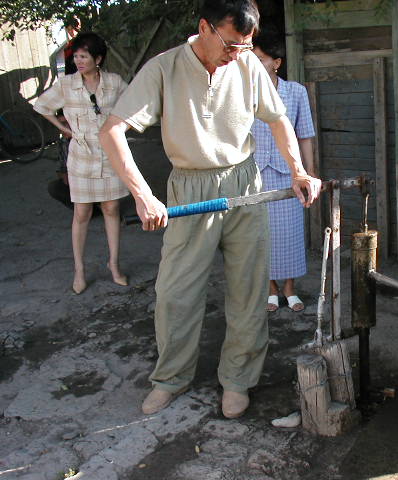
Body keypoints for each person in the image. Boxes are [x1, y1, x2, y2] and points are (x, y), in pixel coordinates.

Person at [98, 0, 321, 418]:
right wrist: (144, 195)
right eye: (231, 44)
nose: (238, 54)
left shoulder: (249, 65)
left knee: (248, 290)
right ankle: (171, 378)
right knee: (176, 293)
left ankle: (237, 379)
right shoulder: (164, 68)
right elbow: (111, 130)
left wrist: (299, 170)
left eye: (246, 46)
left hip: (244, 184)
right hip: (190, 188)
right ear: (204, 27)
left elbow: (277, 119)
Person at [34, 32, 129, 295]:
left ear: (98, 58)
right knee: (82, 213)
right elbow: (41, 107)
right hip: (81, 158)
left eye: (84, 56)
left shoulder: (114, 82)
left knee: (111, 209)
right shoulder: (66, 85)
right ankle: (79, 270)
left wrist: (119, 129)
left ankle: (114, 265)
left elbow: (131, 107)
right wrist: (63, 128)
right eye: (76, 56)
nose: (78, 60)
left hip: (110, 154)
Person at [250, 33, 316, 313]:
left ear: (276, 62)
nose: (254, 64)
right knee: (260, 233)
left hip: (289, 172)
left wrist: (309, 172)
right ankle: (269, 289)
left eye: (260, 59)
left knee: (289, 232)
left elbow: (305, 135)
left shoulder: (296, 92)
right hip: (254, 174)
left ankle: (289, 287)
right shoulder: (243, 93)